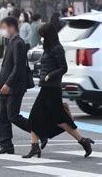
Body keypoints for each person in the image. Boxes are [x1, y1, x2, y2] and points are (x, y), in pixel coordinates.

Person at [23, 24, 94, 158]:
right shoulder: (48, 48)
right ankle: (35, 146)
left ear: (48, 35)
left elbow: (63, 68)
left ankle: (83, 141)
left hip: (53, 88)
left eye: (43, 35)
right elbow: (47, 63)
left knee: (59, 120)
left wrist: (50, 75)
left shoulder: (57, 48)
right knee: (37, 118)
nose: (41, 38)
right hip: (46, 87)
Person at [0, 17, 40, 154]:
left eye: (4, 27)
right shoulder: (11, 42)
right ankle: (6, 144)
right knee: (3, 115)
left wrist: (8, 83)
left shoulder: (18, 43)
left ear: (11, 27)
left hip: (14, 86)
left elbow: (18, 67)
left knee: (12, 115)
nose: (3, 30)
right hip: (5, 85)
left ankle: (39, 133)